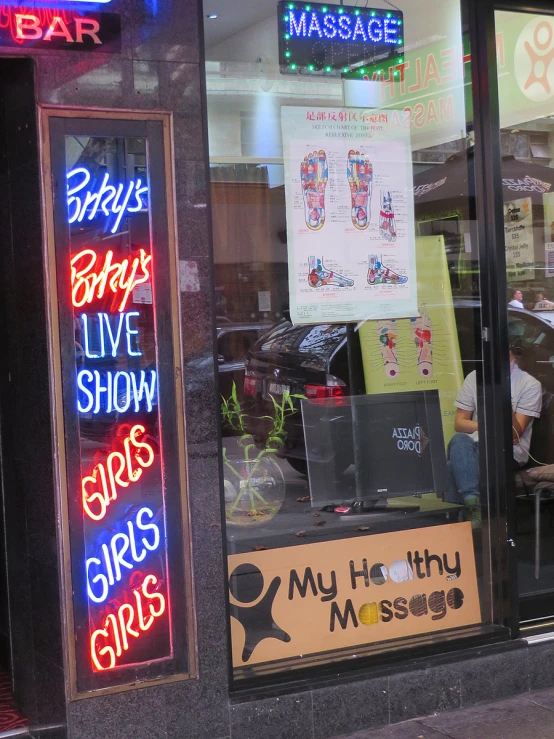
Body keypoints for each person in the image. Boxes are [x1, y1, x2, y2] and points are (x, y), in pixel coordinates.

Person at [446, 346, 542, 528]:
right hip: (472, 444)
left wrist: (504, 395)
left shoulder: (530, 385)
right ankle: (472, 503)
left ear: (514, 358)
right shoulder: (474, 377)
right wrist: (491, 426)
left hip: (506, 450)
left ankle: (456, 525)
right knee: (459, 439)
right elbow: (459, 423)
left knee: (452, 466)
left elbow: (513, 436)